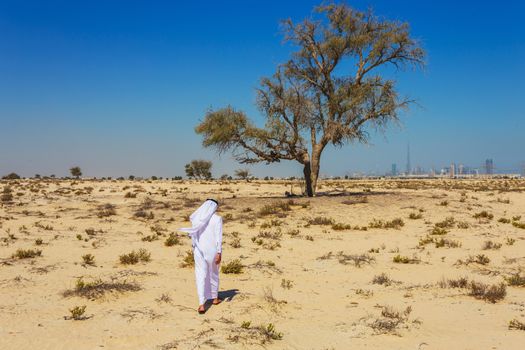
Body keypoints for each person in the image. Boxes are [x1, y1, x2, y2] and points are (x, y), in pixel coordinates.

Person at [180, 199, 223, 313]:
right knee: (213, 273)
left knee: (200, 275)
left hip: (198, 250)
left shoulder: (197, 219)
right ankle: (214, 298)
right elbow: (218, 237)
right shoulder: (217, 219)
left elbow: (193, 235)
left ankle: (201, 304)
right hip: (212, 251)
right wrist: (219, 252)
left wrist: (194, 247)